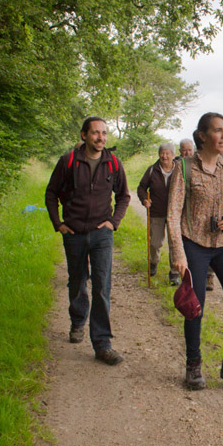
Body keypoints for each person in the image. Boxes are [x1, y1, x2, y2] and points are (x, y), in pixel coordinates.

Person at [167, 112, 223, 390]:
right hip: (194, 244)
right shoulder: (184, 168)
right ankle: (193, 366)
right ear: (203, 136)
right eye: (219, 130)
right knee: (195, 309)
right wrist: (178, 254)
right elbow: (172, 214)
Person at [45, 116, 130, 366]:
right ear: (84, 135)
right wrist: (58, 224)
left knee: (102, 285)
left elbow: (124, 196)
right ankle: (77, 321)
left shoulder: (113, 163)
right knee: (77, 281)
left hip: (102, 233)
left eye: (104, 133)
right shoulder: (68, 161)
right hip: (74, 234)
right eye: (95, 133)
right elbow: (51, 193)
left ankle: (102, 344)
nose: (100, 137)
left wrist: (114, 222)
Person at [137, 142, 179, 286]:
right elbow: (141, 187)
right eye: (162, 153)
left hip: (175, 214)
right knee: (155, 242)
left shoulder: (179, 170)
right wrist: (144, 200)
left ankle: (174, 272)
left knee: (174, 243)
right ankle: (154, 262)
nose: (164, 156)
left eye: (168, 153)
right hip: (156, 212)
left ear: (173, 155)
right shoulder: (152, 170)